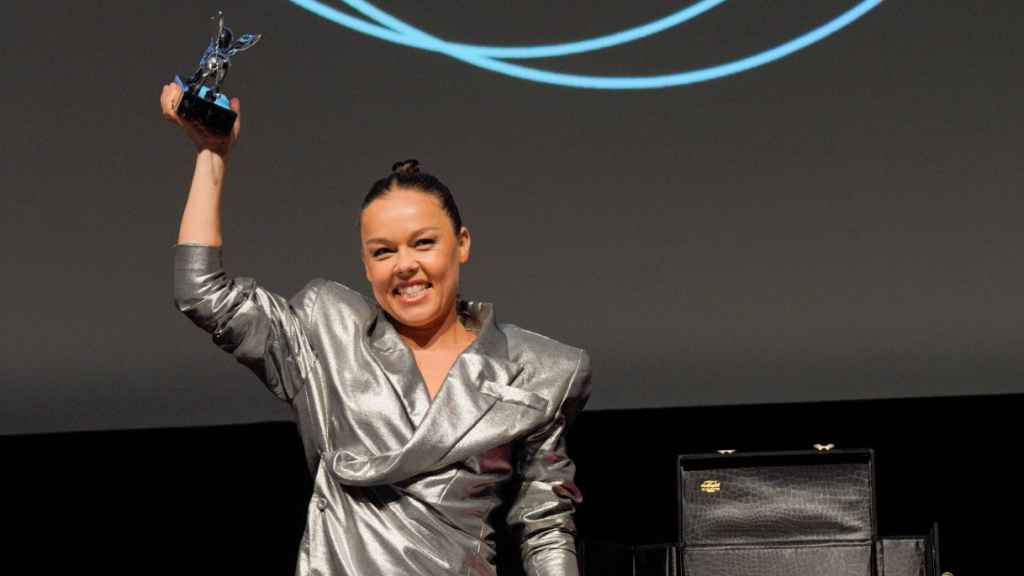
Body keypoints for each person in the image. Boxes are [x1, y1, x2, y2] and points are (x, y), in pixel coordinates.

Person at [160, 82, 593, 576]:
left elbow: (545, 525)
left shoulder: (537, 371)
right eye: (384, 251)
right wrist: (212, 157)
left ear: (462, 244)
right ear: (366, 265)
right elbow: (202, 293)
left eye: (423, 243)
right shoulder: (326, 332)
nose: (404, 266)